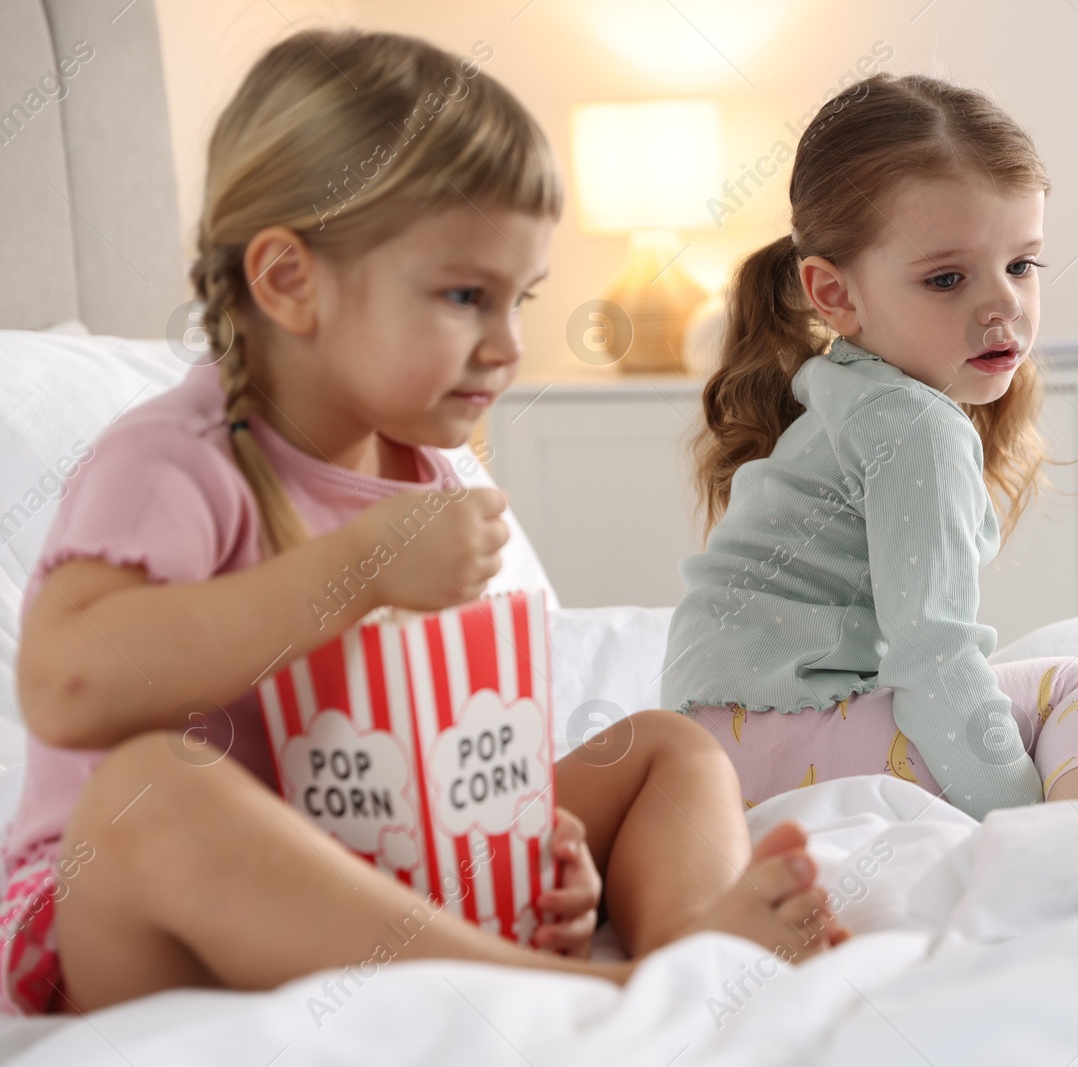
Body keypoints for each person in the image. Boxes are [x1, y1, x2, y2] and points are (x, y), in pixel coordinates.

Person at [1, 29, 841, 1017]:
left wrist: (529, 836)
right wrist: (356, 569)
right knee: (150, 786)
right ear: (287, 280)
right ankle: (603, 990)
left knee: (663, 745)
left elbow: (438, 729)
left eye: (518, 299)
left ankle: (692, 942)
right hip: (139, 908)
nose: (508, 346)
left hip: (385, 847)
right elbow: (67, 684)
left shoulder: (429, 470)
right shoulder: (177, 456)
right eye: (462, 296)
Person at [661, 73, 1078, 819]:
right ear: (835, 295)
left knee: (1016, 705)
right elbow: (934, 660)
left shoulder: (846, 388)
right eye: (947, 278)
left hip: (722, 742)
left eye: (1021, 264)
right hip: (785, 737)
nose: (1003, 305)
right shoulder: (915, 426)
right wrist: (1024, 816)